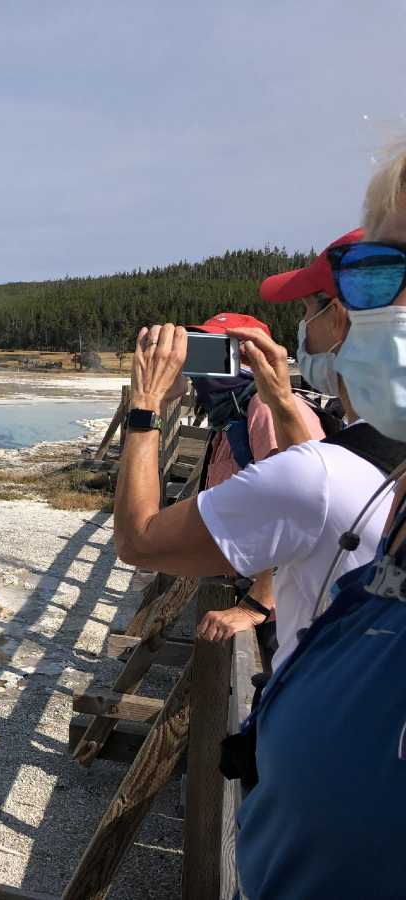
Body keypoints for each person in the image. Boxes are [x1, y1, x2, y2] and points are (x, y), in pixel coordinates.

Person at [235, 141, 406, 899]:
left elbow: (143, 539)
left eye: (318, 304)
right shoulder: (393, 509)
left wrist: (144, 415)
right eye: (378, 270)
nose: (307, 325)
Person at [113, 233, 401, 672]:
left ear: (339, 320)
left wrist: (145, 405)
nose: (302, 327)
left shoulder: (315, 469)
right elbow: (315, 491)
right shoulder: (372, 448)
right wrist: (282, 399)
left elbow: (138, 541)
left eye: (307, 309)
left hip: (314, 682)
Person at [183, 312, 326, 648]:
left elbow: (297, 508)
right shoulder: (232, 415)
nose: (199, 366)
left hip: (279, 607)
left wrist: (257, 603)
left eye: (217, 349)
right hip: (247, 582)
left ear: (249, 356)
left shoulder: (265, 407)